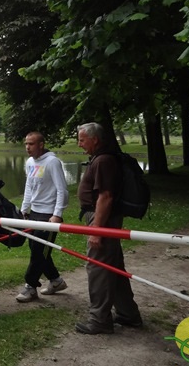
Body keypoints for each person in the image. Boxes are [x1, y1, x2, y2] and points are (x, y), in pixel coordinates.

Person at [75, 122, 142, 334]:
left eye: (82, 139)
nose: (79, 144)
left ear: (95, 139)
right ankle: (128, 314)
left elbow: (105, 197)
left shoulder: (104, 160)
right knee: (114, 268)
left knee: (98, 268)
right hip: (104, 219)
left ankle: (99, 320)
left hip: (102, 220)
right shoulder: (103, 157)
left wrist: (96, 230)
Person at [16, 131, 69, 303]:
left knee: (39, 251)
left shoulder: (52, 162)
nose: (27, 147)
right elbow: (29, 186)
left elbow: (62, 190)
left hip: (48, 214)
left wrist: (57, 215)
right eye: (26, 143)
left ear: (41, 144)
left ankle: (30, 287)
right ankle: (56, 281)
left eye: (31, 144)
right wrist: (24, 209)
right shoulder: (30, 162)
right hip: (34, 212)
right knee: (36, 249)